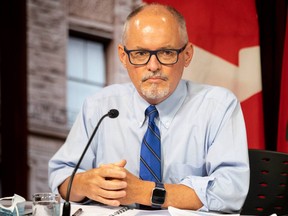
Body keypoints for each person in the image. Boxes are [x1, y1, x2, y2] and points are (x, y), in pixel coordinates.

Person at [48, 3, 249, 213]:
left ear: (187, 55)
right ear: (124, 57)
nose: (153, 66)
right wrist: (84, 184)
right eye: (140, 53)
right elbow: (60, 177)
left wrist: (144, 192)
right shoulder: (99, 106)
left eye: (167, 52)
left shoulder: (219, 106)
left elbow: (231, 190)